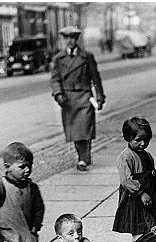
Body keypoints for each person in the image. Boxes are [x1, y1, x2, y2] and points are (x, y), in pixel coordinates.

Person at [50, 26, 106, 172]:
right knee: (75, 132)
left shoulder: (87, 57)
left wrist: (99, 97)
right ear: (64, 40)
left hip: (84, 97)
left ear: (77, 39)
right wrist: (58, 94)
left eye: (73, 38)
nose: (70, 41)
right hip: (67, 100)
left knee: (85, 129)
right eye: (67, 38)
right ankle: (82, 156)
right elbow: (55, 79)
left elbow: (95, 79)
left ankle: (83, 158)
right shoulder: (58, 59)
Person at [112, 117, 156, 241]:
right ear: (128, 138)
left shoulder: (147, 155)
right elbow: (126, 180)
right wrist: (141, 193)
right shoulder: (126, 157)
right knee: (139, 227)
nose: (143, 144)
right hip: (136, 197)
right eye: (138, 140)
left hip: (152, 194)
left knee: (153, 224)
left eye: (146, 140)